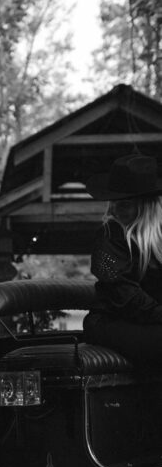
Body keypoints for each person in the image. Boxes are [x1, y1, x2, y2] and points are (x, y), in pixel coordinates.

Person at [83, 153, 162, 365]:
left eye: (125, 203)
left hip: (152, 321)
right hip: (110, 321)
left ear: (147, 206)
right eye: (113, 202)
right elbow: (124, 295)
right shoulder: (108, 235)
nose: (116, 209)